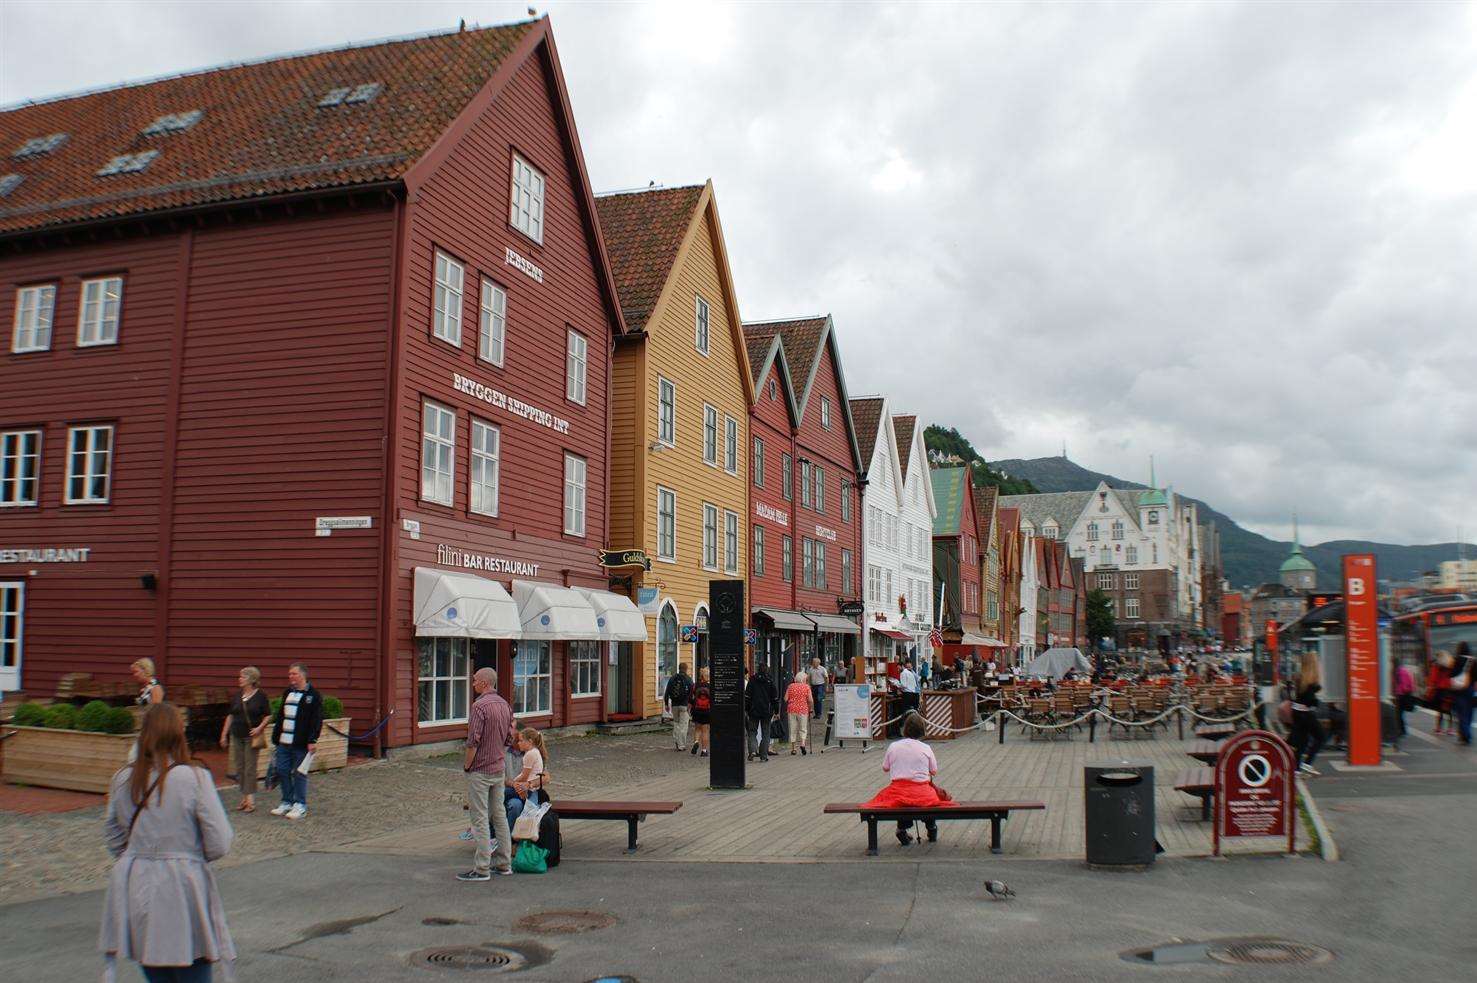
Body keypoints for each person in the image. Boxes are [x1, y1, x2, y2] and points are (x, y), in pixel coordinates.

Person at [101, 703, 235, 982]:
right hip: (183, 885)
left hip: (138, 885)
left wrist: (139, 855)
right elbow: (219, 841)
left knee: (153, 966)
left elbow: (114, 836)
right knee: (193, 964)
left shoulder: (123, 778)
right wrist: (190, 855)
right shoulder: (194, 777)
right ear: (178, 734)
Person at [459, 667, 515, 880]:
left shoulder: (479, 707)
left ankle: (482, 868)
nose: (472, 684)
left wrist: (467, 765)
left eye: (474, 680)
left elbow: (473, 741)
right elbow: (510, 738)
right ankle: (504, 863)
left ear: (484, 683)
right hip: (498, 768)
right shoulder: (505, 705)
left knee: (480, 818)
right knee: (499, 815)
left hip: (480, 769)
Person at [862, 711, 952, 846]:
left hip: (898, 790)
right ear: (922, 730)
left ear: (904, 729)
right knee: (930, 799)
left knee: (900, 801)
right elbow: (934, 770)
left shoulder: (893, 746)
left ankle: (902, 829)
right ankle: (931, 828)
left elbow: (885, 768)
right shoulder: (926, 748)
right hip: (922, 791)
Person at [268, 662, 322, 820]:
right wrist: (276, 737)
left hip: (301, 742)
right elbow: (281, 716)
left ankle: (300, 804)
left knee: (299, 773)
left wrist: (312, 739)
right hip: (284, 741)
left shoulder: (313, 695)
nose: (290, 676)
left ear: (303, 675)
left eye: (294, 674)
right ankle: (287, 801)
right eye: (289, 674)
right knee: (282, 770)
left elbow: (316, 719)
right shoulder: (287, 693)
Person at [218, 666, 270, 813]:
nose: (239, 679)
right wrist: (224, 734)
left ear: (251, 679)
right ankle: (244, 797)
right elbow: (230, 715)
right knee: (240, 768)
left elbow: (268, 715)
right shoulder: (237, 695)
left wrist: (260, 727)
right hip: (237, 735)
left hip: (251, 737)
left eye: (243, 677)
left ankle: (250, 800)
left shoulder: (261, 696)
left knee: (250, 768)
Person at [1289, 652, 1326, 776]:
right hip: (1306, 714)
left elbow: (1297, 697)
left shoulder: (1300, 678)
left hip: (1297, 713)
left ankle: (1297, 769)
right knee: (1321, 737)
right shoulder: (1312, 682)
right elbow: (1309, 700)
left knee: (1301, 741)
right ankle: (1307, 763)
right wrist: (1315, 703)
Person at [504, 727, 549, 829]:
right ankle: (506, 837)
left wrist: (528, 785)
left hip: (529, 791)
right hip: (514, 789)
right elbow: (498, 777)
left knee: (525, 807)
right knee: (512, 803)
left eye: (520, 740)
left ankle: (514, 838)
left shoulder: (531, 753)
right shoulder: (503, 753)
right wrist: (514, 784)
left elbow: (546, 778)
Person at [745, 664, 777, 762]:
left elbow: (747, 697)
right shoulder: (770, 681)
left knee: (752, 732)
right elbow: (774, 698)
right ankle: (763, 756)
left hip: (753, 711)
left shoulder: (752, 680)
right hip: (767, 711)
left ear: (757, 670)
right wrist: (776, 711)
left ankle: (753, 751)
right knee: (766, 733)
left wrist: (747, 709)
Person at [664, 662, 694, 752]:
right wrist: (691, 704)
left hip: (674, 705)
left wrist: (666, 704)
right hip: (684, 705)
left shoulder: (672, 678)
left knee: (676, 724)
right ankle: (681, 745)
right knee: (683, 726)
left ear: (679, 668)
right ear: (686, 669)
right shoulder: (689, 679)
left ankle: (677, 741)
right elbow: (692, 693)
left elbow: (667, 692)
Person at [1450, 642, 1476, 746]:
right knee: (1469, 713)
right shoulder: (1473, 661)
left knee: (1461, 713)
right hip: (1470, 689)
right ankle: (1467, 734)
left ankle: (1464, 735)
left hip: (1457, 690)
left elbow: (1451, 675)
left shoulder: (1455, 660)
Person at [785, 670, 814, 755]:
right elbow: (810, 700)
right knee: (803, 728)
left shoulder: (790, 686)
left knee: (792, 728)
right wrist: (810, 708)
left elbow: (785, 698)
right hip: (803, 710)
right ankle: (803, 744)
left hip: (791, 709)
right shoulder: (806, 687)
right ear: (803, 679)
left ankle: (793, 748)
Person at [1428, 653, 1454, 735]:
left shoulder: (1436, 666)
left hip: (1439, 690)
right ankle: (1450, 729)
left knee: (1440, 710)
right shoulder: (1450, 667)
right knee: (1448, 710)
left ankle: (1439, 729)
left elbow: (1433, 679)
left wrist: (1430, 689)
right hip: (1448, 690)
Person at [690, 667, 712, 756]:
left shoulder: (695, 685)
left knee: (697, 729)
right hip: (707, 711)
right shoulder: (710, 686)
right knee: (705, 731)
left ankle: (696, 742)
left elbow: (690, 699)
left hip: (697, 710)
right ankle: (704, 751)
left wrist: (690, 709)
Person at [1393, 660, 1416, 738]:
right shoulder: (1404, 670)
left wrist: (1399, 692)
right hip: (1403, 694)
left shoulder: (1400, 672)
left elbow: (1403, 684)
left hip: (1402, 695)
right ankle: (1403, 731)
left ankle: (1402, 731)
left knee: (1399, 714)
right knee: (1400, 714)